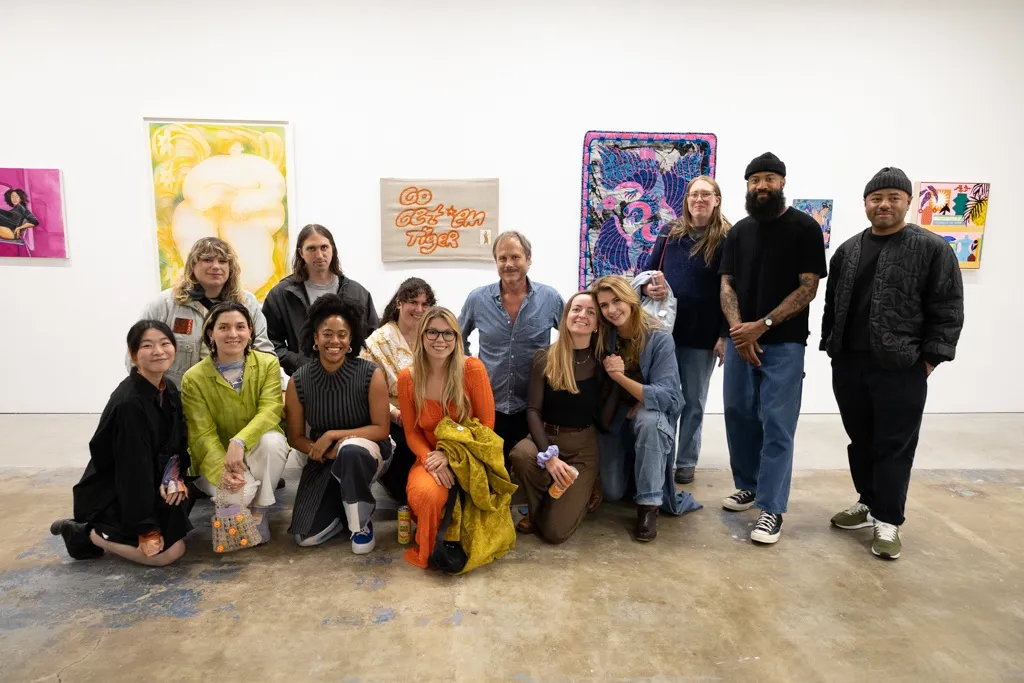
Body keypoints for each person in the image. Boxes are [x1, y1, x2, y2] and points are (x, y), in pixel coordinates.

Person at [822, 167, 964, 560]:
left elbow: (947, 306)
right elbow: (833, 303)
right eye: (876, 198)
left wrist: (931, 359)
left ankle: (888, 520)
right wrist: (830, 346)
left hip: (901, 366)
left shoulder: (931, 248)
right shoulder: (848, 250)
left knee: (894, 444)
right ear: (866, 203)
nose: (884, 204)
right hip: (849, 364)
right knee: (861, 439)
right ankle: (868, 502)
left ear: (907, 202)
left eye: (893, 198)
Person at [719, 152, 827, 545]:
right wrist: (737, 331)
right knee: (738, 414)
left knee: (777, 426)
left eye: (768, 178)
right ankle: (747, 485)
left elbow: (808, 287)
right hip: (739, 341)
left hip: (782, 344)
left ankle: (772, 509)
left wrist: (760, 327)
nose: (761, 185)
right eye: (754, 180)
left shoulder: (805, 229)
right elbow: (726, 283)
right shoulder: (739, 232)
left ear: (782, 182)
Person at [50, 320, 191, 566]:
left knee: (180, 529)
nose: (158, 351)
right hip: (116, 493)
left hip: (153, 482)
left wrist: (173, 476)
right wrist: (145, 527)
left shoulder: (166, 388)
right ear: (134, 354)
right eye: (148, 346)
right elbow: (131, 471)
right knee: (168, 554)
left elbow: (176, 441)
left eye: (165, 343)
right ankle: (86, 533)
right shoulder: (130, 404)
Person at [591, 275, 700, 542]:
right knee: (613, 492)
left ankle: (648, 506)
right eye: (604, 305)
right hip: (613, 414)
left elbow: (671, 397)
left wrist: (624, 381)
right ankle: (635, 477)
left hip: (647, 413)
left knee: (649, 420)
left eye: (616, 301)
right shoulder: (602, 335)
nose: (612, 310)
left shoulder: (658, 336)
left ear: (630, 298)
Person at [284, 295, 392, 551]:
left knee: (350, 449)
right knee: (305, 537)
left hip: (367, 452)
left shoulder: (369, 373)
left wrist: (333, 435)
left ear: (351, 339)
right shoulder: (298, 380)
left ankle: (360, 524)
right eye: (327, 334)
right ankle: (346, 507)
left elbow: (381, 429)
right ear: (315, 338)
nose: (335, 341)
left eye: (342, 334)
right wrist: (320, 450)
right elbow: (295, 436)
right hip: (324, 456)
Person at [644, 175, 731, 485]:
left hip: (703, 334)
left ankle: (686, 460)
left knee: (693, 401)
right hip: (665, 331)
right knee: (666, 398)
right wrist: (652, 288)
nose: (699, 200)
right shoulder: (670, 233)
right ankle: (662, 454)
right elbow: (650, 272)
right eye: (694, 194)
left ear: (717, 200)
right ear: (687, 199)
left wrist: (724, 335)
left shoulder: (727, 238)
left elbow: (732, 290)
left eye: (706, 194)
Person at [180, 302, 290, 543]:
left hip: (254, 449)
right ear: (211, 333)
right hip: (217, 457)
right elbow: (201, 435)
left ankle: (260, 511)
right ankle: (235, 500)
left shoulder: (268, 363)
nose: (233, 334)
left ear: (250, 331)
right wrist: (223, 472)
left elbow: (271, 409)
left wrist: (239, 441)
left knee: (273, 442)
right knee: (241, 491)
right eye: (224, 327)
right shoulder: (194, 378)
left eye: (240, 326)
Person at [397, 307, 495, 568]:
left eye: (447, 333)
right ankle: (431, 549)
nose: (440, 340)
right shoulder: (407, 378)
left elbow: (486, 425)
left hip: (471, 457)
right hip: (428, 457)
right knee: (429, 495)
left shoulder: (472, 369)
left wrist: (451, 457)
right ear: (421, 336)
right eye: (432, 332)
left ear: (456, 337)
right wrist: (430, 458)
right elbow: (412, 431)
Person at [509, 292, 610, 544]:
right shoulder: (545, 357)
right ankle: (539, 509)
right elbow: (533, 410)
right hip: (545, 437)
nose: (582, 316)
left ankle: (574, 493)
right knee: (521, 455)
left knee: (555, 534)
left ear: (598, 324)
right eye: (576, 309)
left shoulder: (602, 362)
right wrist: (549, 457)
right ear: (566, 317)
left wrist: (617, 380)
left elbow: (605, 421)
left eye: (591, 312)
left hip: (581, 451)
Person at [458, 231, 563, 461]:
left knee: (530, 467)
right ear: (495, 262)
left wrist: (558, 366)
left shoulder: (549, 298)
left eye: (515, 257)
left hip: (535, 407)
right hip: (489, 404)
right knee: (492, 470)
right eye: (502, 258)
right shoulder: (477, 299)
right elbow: (457, 337)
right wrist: (470, 368)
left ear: (528, 259)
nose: (509, 264)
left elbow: (572, 336)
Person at [135, 237, 273, 388]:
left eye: (222, 261)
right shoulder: (164, 304)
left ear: (230, 267)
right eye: (207, 260)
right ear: (192, 265)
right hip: (179, 399)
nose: (216, 266)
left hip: (235, 396)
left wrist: (276, 389)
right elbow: (137, 353)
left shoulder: (247, 303)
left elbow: (264, 351)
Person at [263, 224, 379, 376]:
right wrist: (300, 362)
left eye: (324, 247)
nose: (319, 255)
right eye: (311, 249)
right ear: (301, 253)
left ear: (333, 249)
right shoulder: (282, 294)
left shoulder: (357, 292)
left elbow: (373, 338)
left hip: (351, 379)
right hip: (303, 379)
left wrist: (351, 363)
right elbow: (269, 343)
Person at [360, 277, 437, 502]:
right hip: (395, 419)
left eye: (425, 304)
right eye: (413, 302)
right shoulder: (379, 341)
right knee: (406, 489)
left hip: (432, 414)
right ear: (399, 303)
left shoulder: (433, 335)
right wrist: (396, 415)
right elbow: (366, 390)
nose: (419, 309)